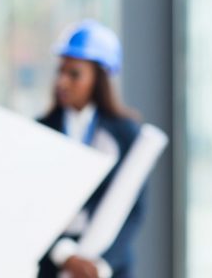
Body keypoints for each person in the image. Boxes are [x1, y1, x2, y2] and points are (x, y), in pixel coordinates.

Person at [37, 20, 145, 278]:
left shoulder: (127, 134)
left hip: (110, 267)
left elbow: (135, 210)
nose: (62, 82)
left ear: (99, 78)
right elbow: (33, 204)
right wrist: (64, 255)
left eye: (74, 74)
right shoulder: (41, 130)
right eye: (60, 71)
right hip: (54, 265)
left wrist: (102, 265)